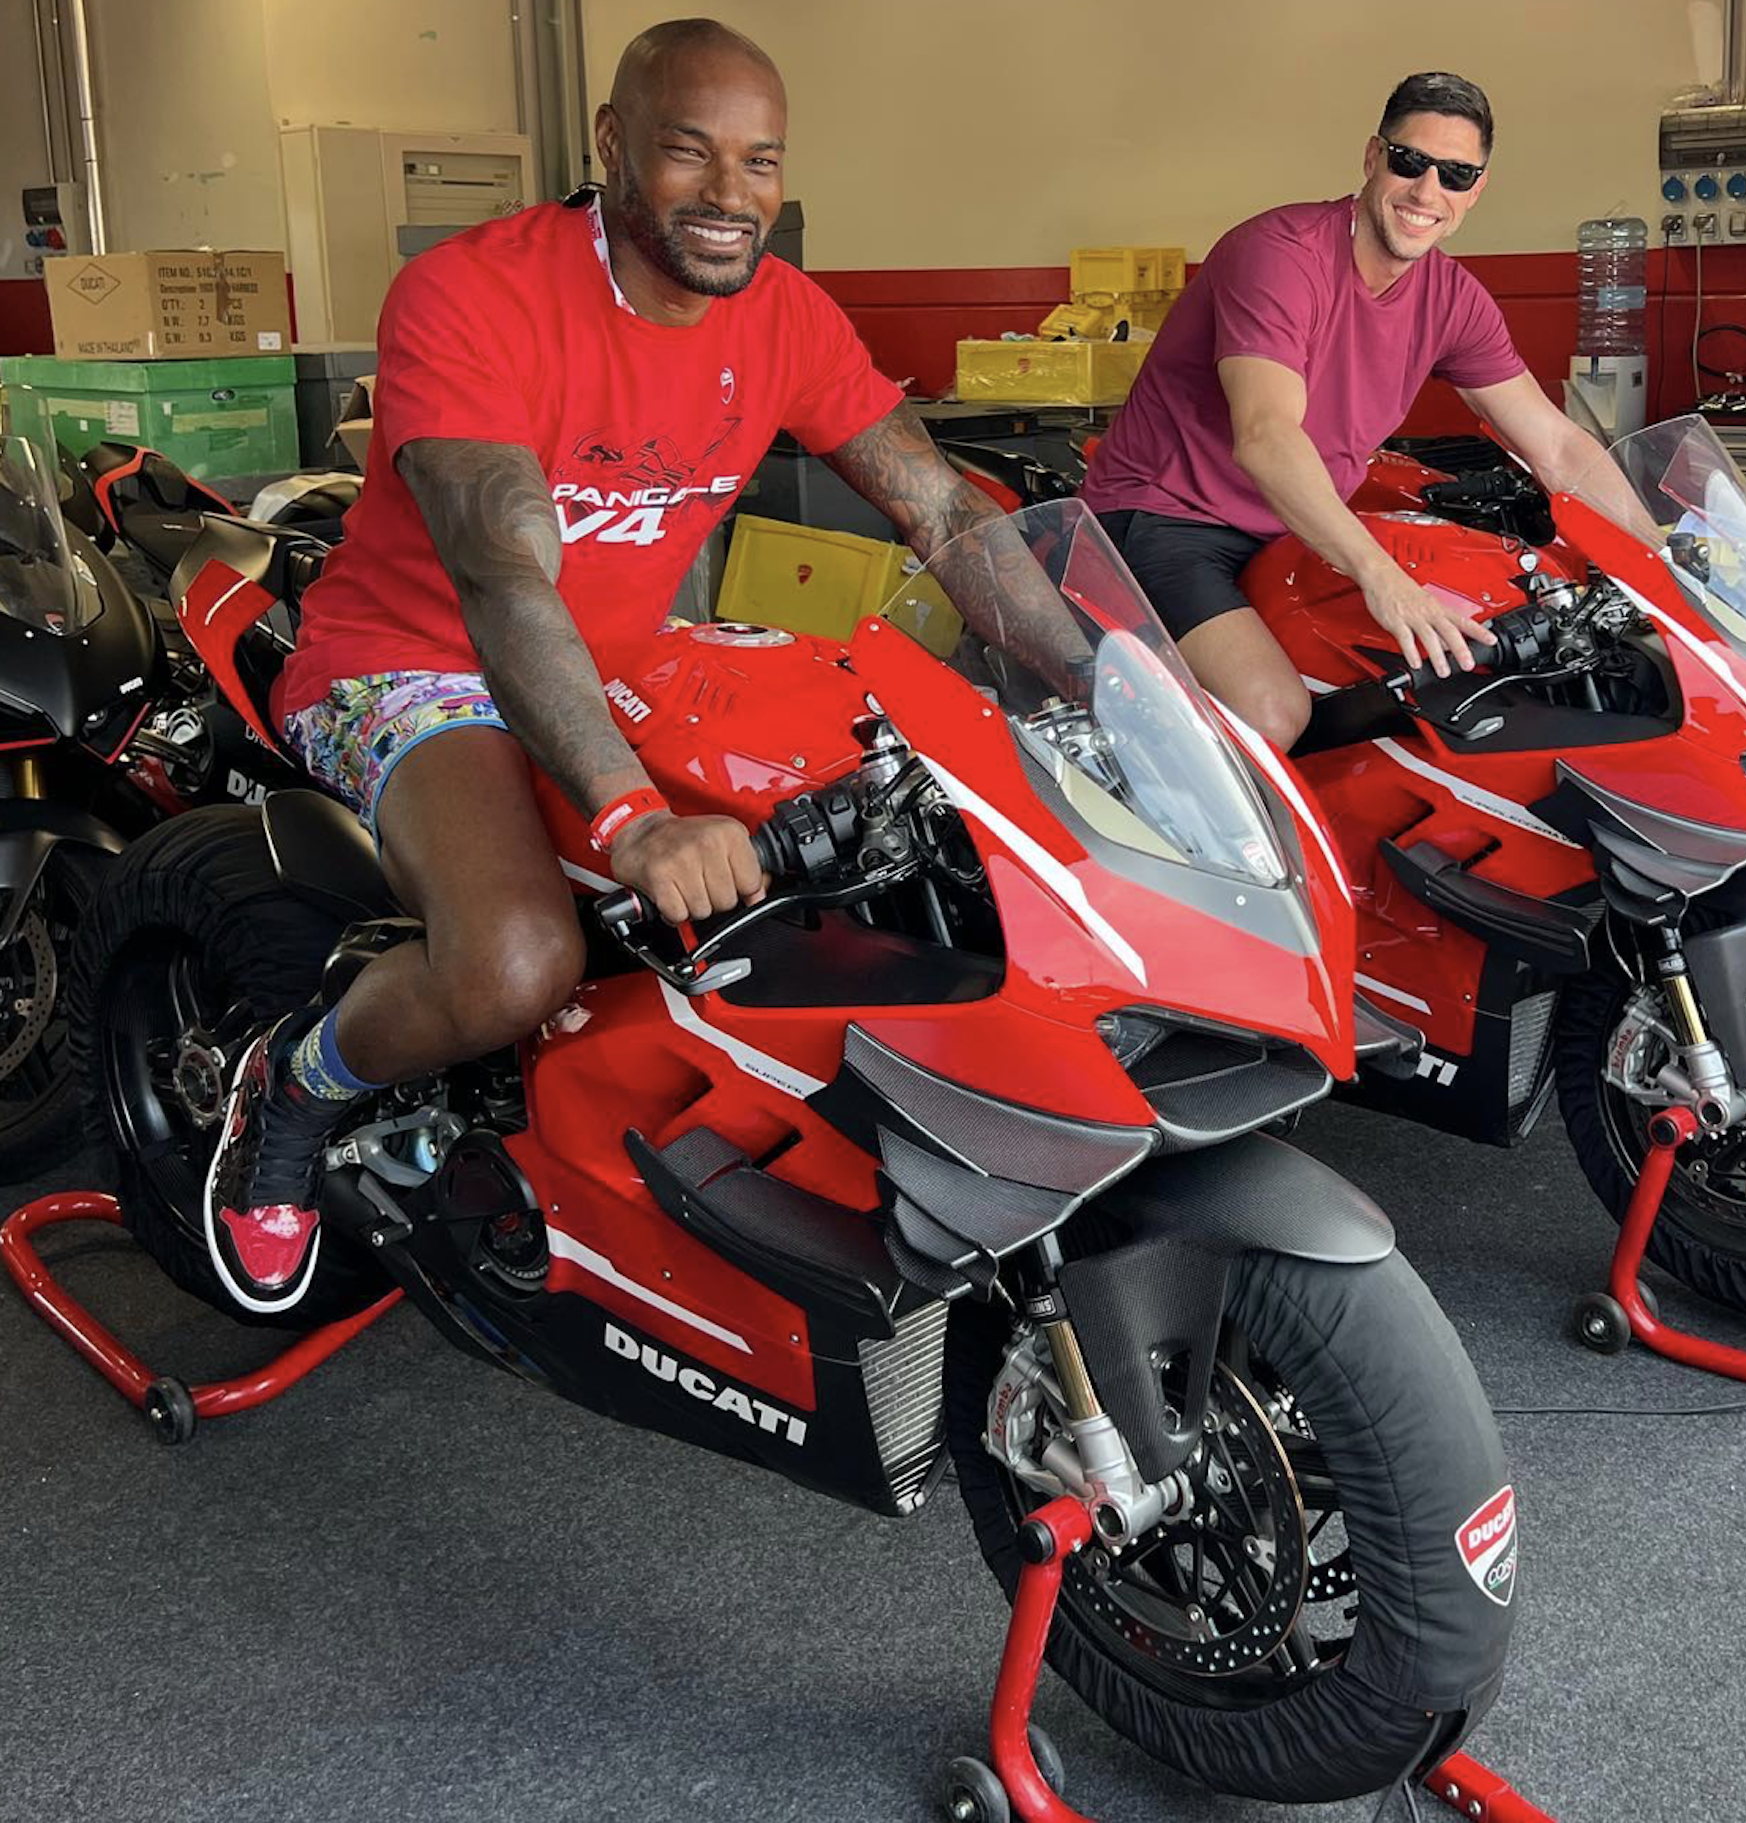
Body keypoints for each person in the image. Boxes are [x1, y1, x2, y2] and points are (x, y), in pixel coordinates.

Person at [202, 17, 1009, 1316]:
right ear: (613, 146)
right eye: (693, 154)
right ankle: (294, 1085)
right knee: (519, 959)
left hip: (627, 656)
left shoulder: (786, 316)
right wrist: (630, 814)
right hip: (418, 661)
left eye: (761, 162)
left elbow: (947, 512)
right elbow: (502, 571)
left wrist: (1113, 680)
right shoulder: (477, 293)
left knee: (880, 831)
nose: (733, 195)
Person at [1082, 70, 1650, 753]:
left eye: (1456, 174)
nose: (1427, 192)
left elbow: (1555, 442)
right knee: (1271, 711)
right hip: (1168, 518)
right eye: (1410, 162)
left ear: (1478, 190)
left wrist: (1663, 562)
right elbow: (1265, 435)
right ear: (1373, 157)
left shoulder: (1452, 298)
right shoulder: (1282, 257)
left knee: (1418, 671)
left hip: (1294, 526)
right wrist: (1381, 575)